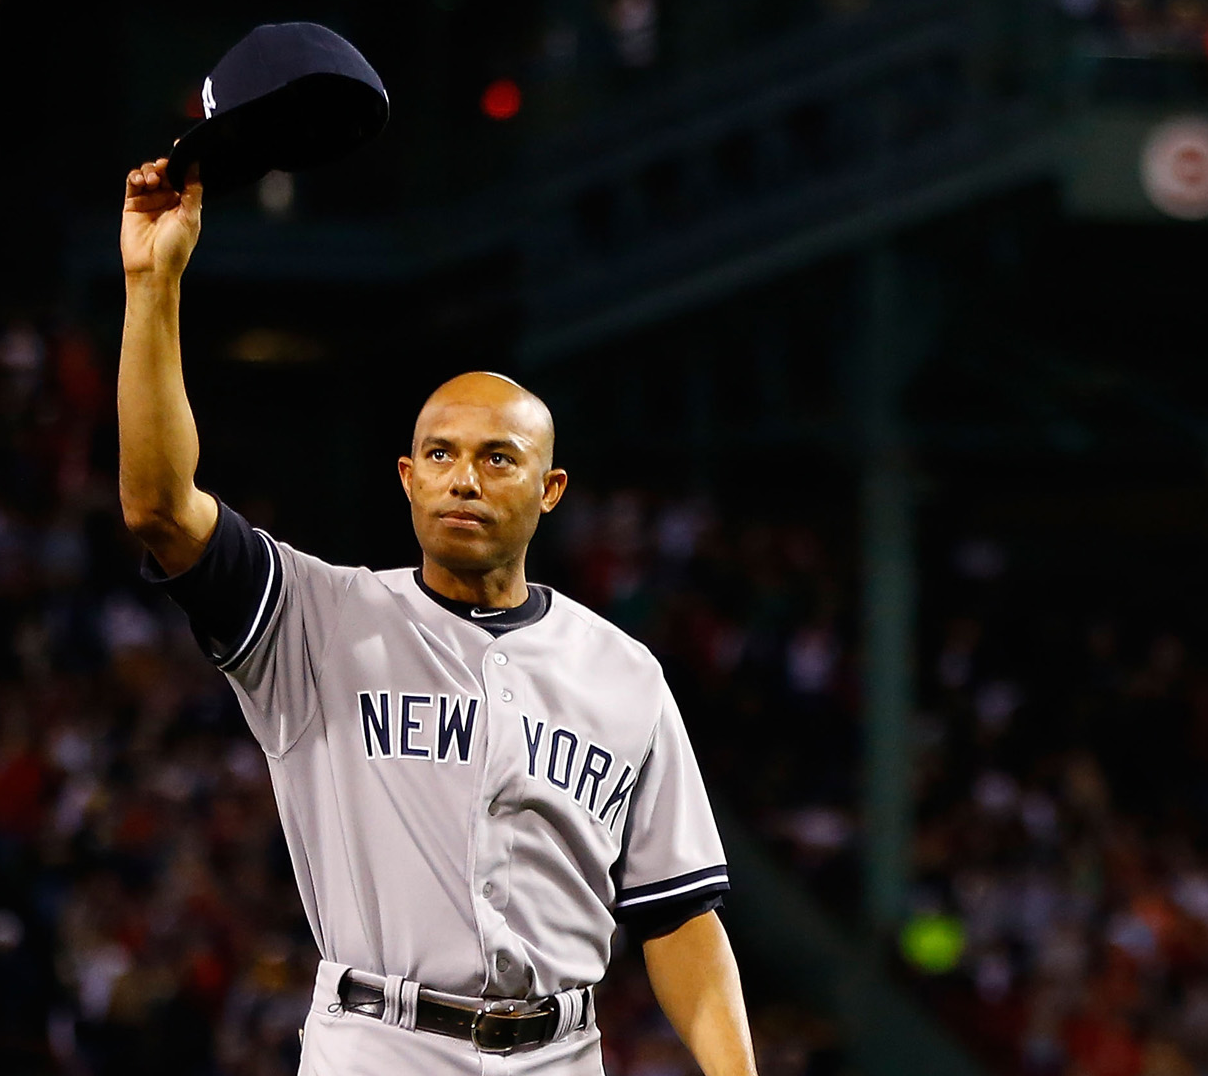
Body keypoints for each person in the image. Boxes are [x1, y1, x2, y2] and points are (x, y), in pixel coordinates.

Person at [117, 156, 759, 1075]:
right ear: (408, 479)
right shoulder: (319, 618)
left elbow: (679, 915)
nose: (465, 476)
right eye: (441, 453)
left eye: (499, 458)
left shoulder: (623, 674)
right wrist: (153, 284)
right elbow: (160, 509)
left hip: (560, 1052)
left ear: (552, 489)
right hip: (378, 1044)